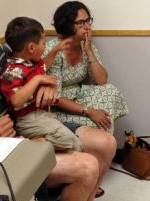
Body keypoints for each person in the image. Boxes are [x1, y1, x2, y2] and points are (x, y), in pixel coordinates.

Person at [0, 5, 112, 201]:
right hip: (0, 152)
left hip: (31, 122)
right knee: (88, 166)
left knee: (106, 144)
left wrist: (44, 85)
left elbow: (24, 72)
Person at [43, 1, 128, 135]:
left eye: (89, 21)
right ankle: (102, 144)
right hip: (58, 107)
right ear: (68, 25)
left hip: (79, 96)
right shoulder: (54, 49)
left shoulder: (86, 45)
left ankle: (104, 145)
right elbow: (56, 97)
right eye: (81, 23)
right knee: (95, 123)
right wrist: (90, 111)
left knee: (110, 91)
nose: (88, 26)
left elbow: (102, 81)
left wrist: (88, 50)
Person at [1, 17, 82, 151]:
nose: (45, 47)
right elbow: (16, 101)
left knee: (76, 143)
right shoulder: (13, 70)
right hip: (27, 119)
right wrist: (37, 80)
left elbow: (44, 65)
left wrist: (56, 50)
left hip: (41, 113)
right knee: (68, 140)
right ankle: (31, 144)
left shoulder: (31, 62)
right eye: (43, 43)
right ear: (31, 47)